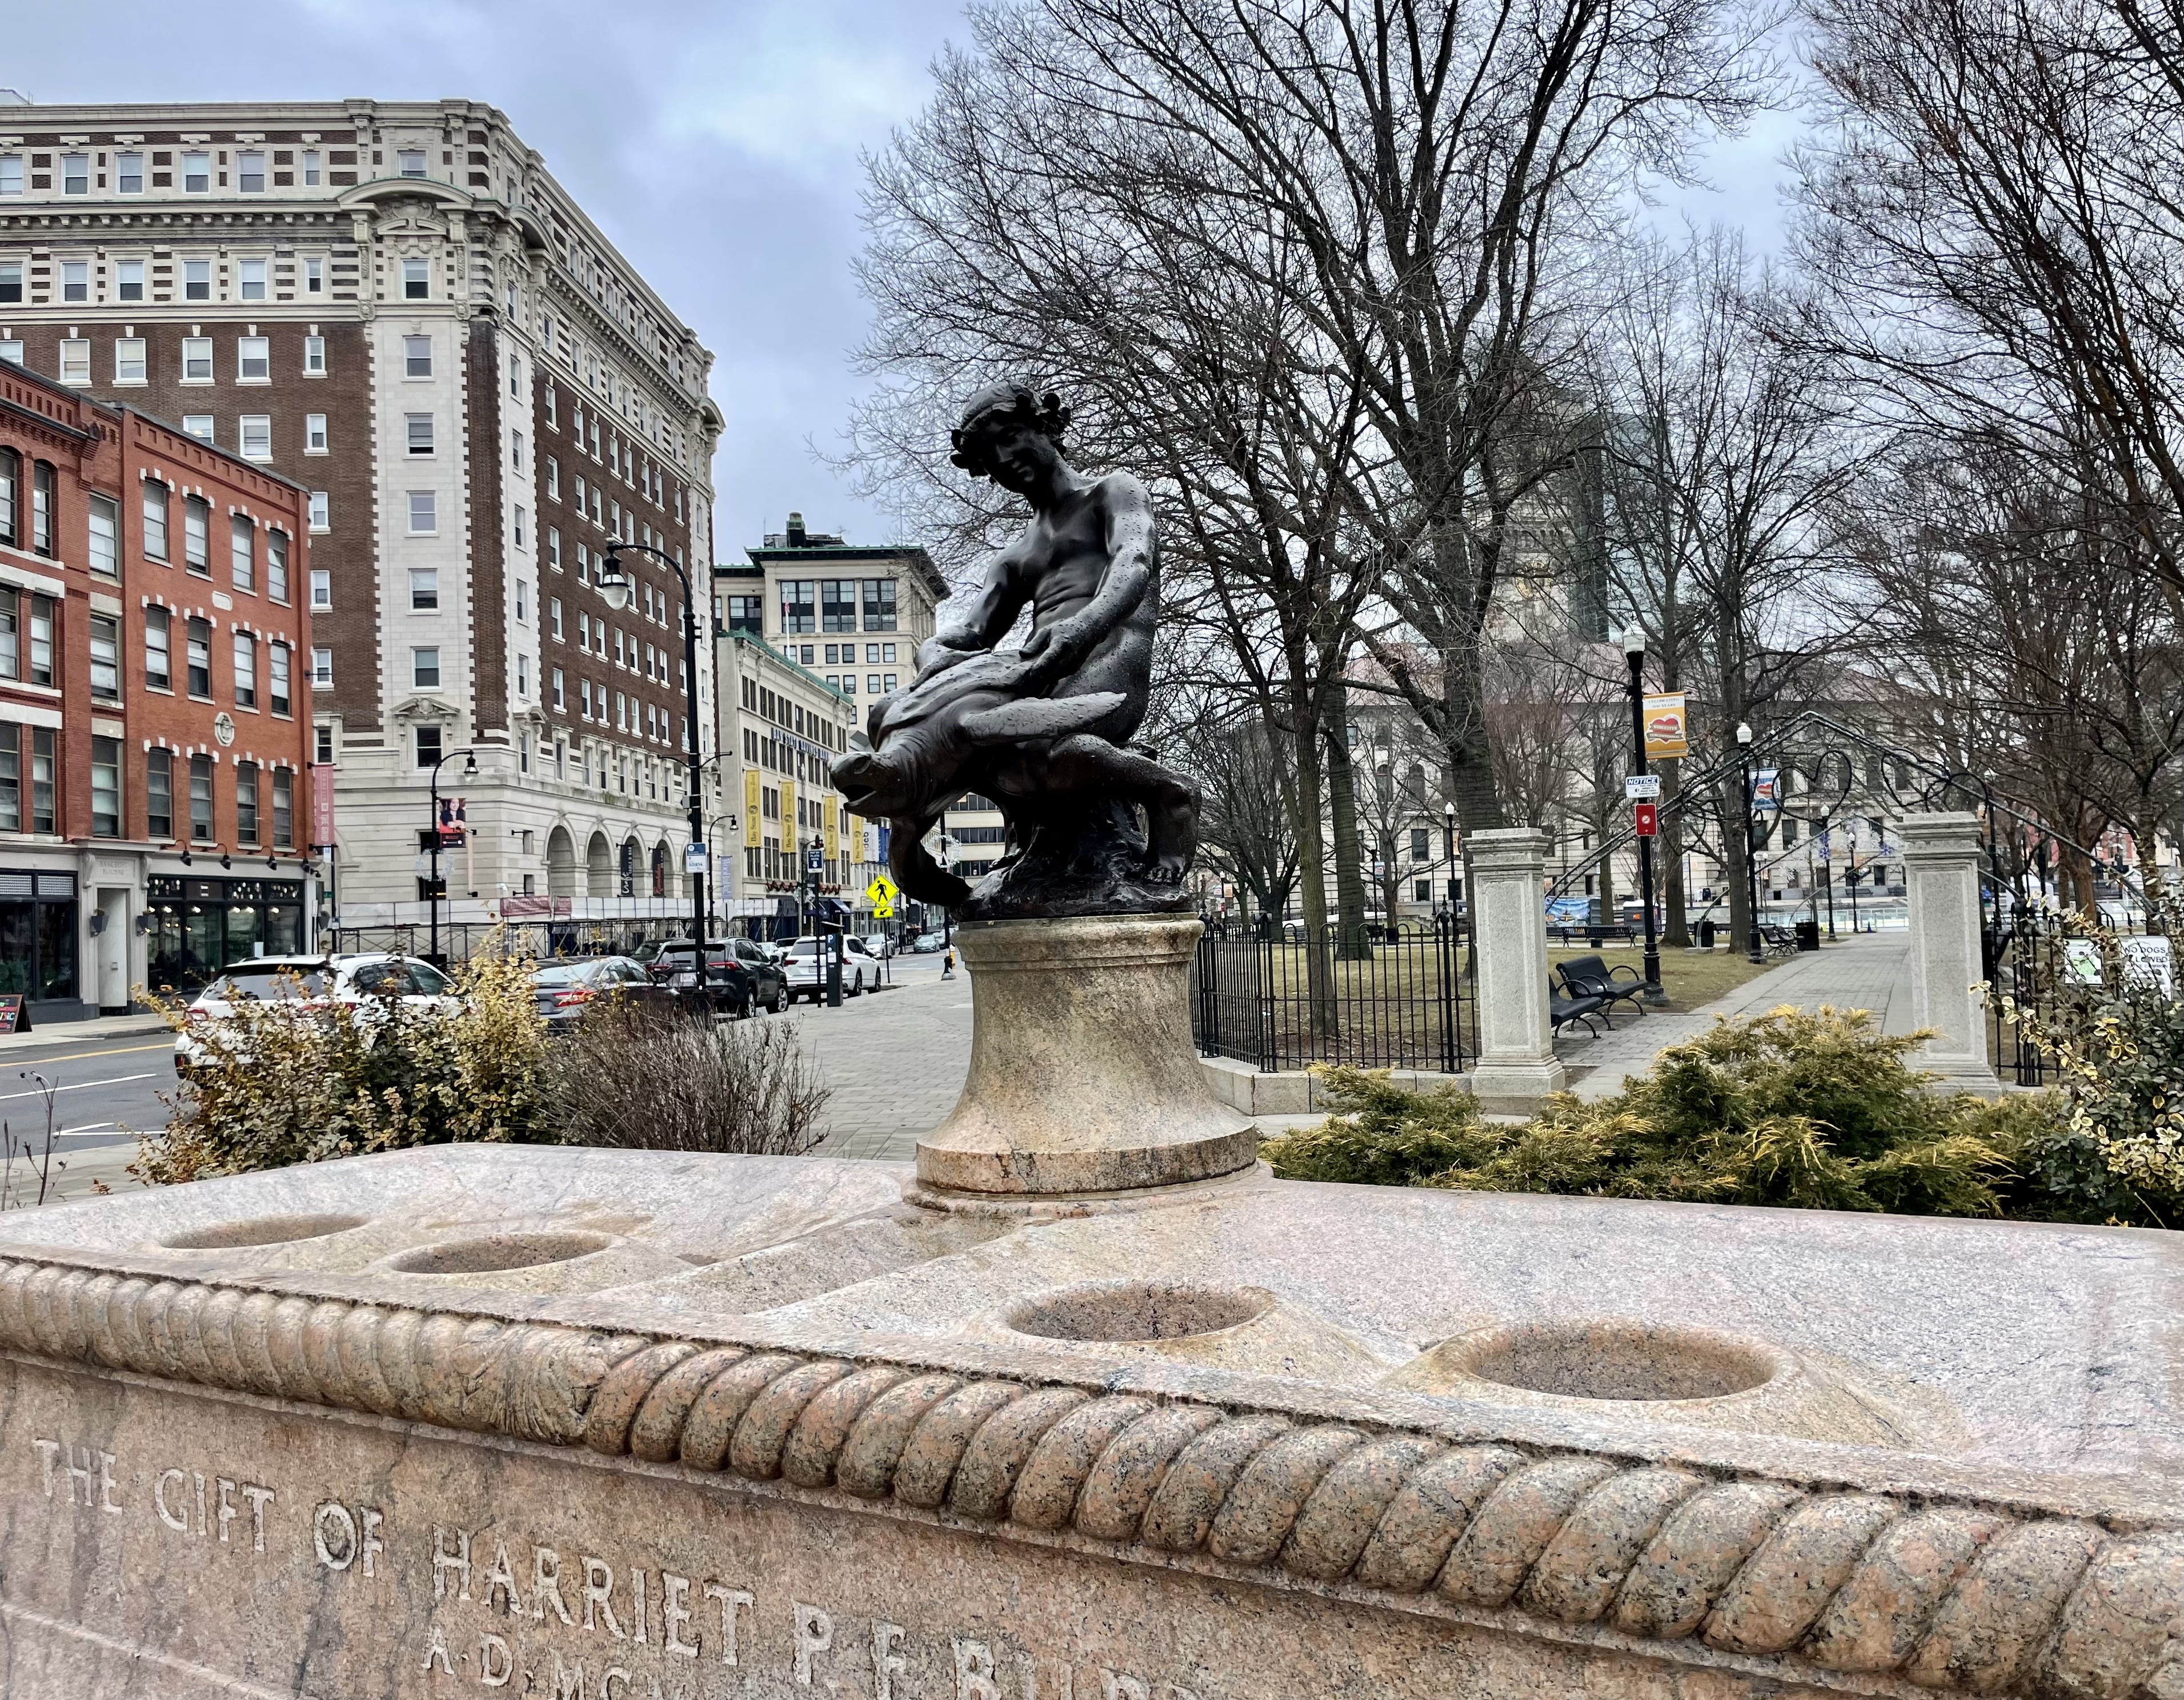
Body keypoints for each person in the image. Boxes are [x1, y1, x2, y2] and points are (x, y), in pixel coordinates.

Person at [831, 384, 1200, 914]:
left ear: (1045, 427)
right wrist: (932, 653)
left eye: (1010, 437)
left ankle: (1169, 794)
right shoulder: (1014, 556)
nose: (1004, 459)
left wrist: (1085, 626)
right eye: (987, 455)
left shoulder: (1112, 492)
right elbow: (971, 634)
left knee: (1045, 760)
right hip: (1040, 677)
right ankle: (1012, 850)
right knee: (949, 751)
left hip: (1108, 665)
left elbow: (1134, 563)